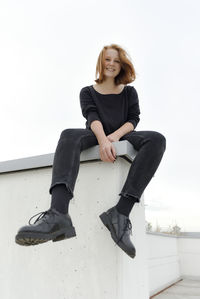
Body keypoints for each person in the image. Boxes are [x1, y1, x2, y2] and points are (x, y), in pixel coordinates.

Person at [15, 43, 166, 259]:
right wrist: (103, 140)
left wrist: (113, 138)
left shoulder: (130, 92)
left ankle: (120, 213)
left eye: (116, 60)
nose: (111, 64)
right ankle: (58, 214)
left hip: (120, 135)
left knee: (157, 139)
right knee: (68, 134)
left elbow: (134, 119)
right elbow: (92, 117)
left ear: (121, 64)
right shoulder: (87, 92)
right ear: (100, 62)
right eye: (107, 59)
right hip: (95, 135)